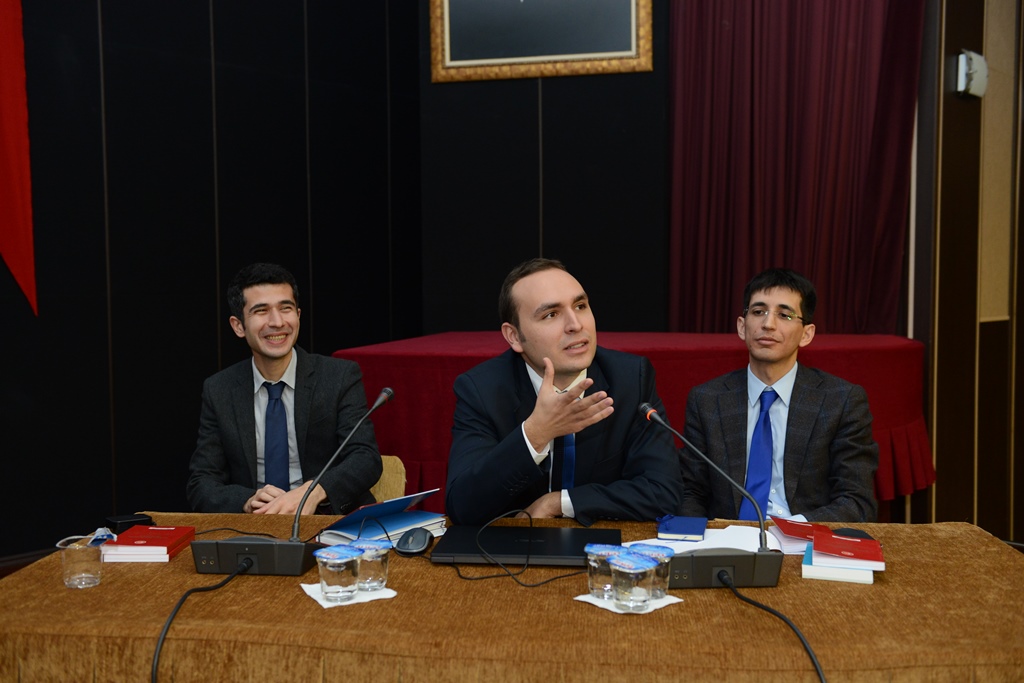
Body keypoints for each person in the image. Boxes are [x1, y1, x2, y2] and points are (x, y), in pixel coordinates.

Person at [445, 258, 685, 526]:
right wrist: (536, 433)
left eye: (580, 306)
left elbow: (664, 492)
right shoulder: (482, 390)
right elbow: (462, 506)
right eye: (551, 314)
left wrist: (559, 502)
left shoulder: (630, 379)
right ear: (514, 336)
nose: (575, 325)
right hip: (513, 546)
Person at [681, 268, 878, 522]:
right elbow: (690, 492)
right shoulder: (707, 400)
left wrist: (791, 530)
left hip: (805, 536)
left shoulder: (841, 401)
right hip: (729, 538)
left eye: (784, 315)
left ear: (806, 334)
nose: (768, 324)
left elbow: (856, 501)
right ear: (742, 326)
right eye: (758, 311)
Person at [187, 263, 382, 515]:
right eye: (261, 311)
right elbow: (202, 482)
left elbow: (365, 458)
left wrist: (313, 491)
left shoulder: (339, 376)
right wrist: (247, 500)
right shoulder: (219, 389)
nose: (277, 322)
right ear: (238, 326)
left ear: (298, 315)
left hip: (328, 522)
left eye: (285, 308)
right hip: (257, 524)